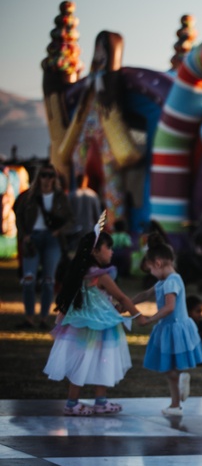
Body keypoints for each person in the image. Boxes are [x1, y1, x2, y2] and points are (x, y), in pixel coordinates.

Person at [44, 226, 140, 416]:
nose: (111, 251)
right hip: (101, 327)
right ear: (95, 251)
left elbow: (100, 301)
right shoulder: (101, 276)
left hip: (81, 325)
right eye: (108, 247)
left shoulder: (79, 273)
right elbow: (122, 298)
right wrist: (139, 316)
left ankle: (74, 402)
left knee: (82, 360)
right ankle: (97, 401)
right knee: (103, 359)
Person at [132, 234, 202, 417]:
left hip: (173, 328)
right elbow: (145, 294)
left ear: (157, 263)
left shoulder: (171, 281)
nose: (151, 274)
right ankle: (175, 404)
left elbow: (169, 307)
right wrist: (125, 304)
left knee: (170, 367)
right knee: (169, 369)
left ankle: (179, 387)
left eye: (150, 269)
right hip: (172, 328)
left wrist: (149, 319)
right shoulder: (164, 281)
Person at [14, 164, 74, 329]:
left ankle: (43, 319)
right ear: (38, 178)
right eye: (44, 175)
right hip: (32, 238)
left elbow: (70, 219)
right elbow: (18, 215)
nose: (47, 179)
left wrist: (59, 231)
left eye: (50, 176)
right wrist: (24, 235)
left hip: (52, 240)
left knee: (49, 280)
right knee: (28, 279)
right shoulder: (29, 196)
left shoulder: (60, 197)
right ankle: (29, 318)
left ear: (55, 179)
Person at [66, 179, 101, 255]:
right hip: (89, 229)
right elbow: (98, 216)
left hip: (74, 231)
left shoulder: (71, 195)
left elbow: (66, 215)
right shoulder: (93, 195)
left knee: (74, 256)